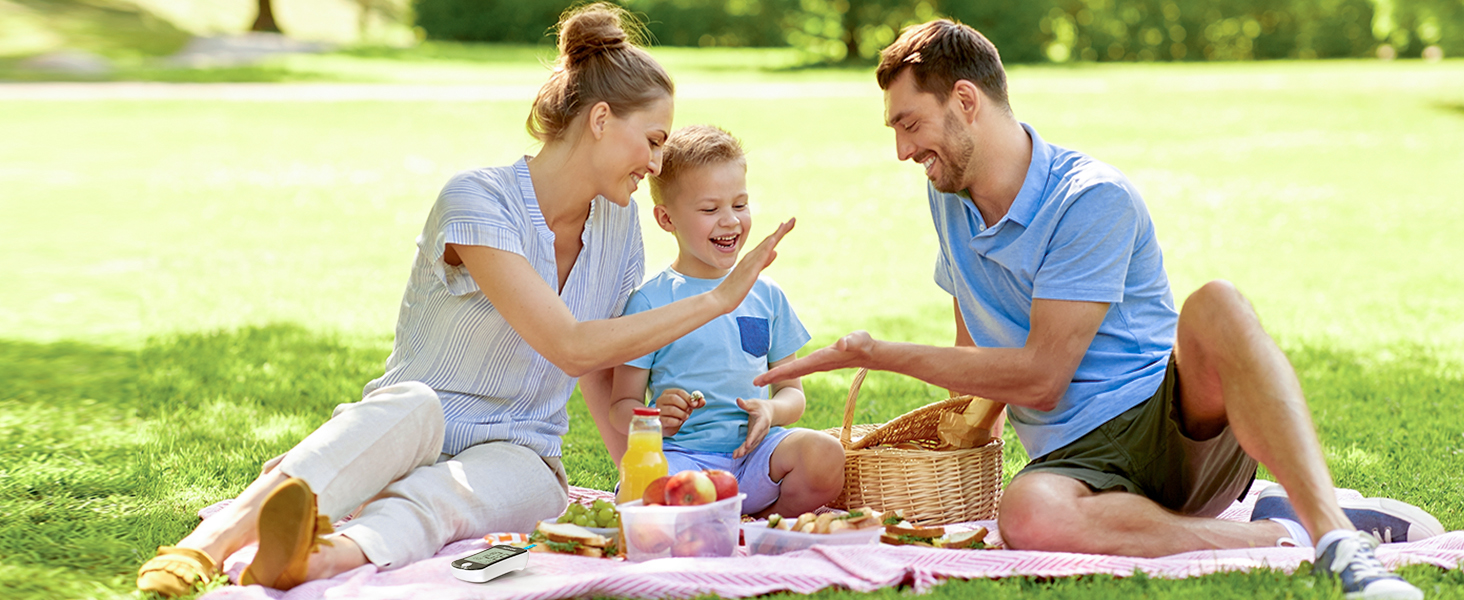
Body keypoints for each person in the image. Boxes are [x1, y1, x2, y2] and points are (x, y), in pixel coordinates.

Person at [754, 19, 1442, 600]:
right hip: (1078, 464)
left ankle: (1338, 545)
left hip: (1168, 426)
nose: (903, 151)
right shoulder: (946, 198)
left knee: (1218, 305)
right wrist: (914, 439)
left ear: (965, 100)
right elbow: (978, 369)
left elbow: (1041, 378)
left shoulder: (1089, 199)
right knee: (1026, 514)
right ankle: (1280, 533)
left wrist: (874, 355)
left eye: (909, 124)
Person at [134, 4, 795, 596]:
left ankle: (315, 560)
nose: (657, 164)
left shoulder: (617, 222)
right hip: (415, 423)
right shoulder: (477, 200)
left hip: (520, 451)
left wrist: (639, 480)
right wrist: (717, 300)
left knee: (476, 496)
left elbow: (602, 357)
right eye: (652, 141)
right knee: (413, 409)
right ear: (600, 120)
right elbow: (568, 345)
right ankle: (200, 552)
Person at [601, 125, 844, 517]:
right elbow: (620, 405)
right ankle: (725, 516)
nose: (730, 221)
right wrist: (655, 417)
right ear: (666, 218)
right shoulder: (650, 301)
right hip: (683, 460)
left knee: (826, 455)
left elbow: (792, 394)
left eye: (740, 204)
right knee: (644, 491)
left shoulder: (767, 295)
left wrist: (771, 412)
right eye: (710, 209)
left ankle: (762, 521)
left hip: (755, 458)